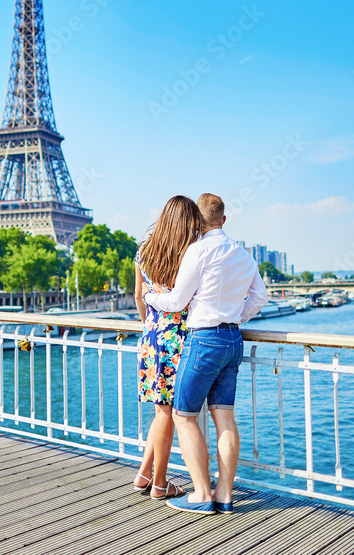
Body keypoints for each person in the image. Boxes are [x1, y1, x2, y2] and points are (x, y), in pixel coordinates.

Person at [141, 193, 268, 515]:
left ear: (197, 221)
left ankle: (200, 493)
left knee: (183, 415)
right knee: (224, 415)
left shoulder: (197, 251)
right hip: (233, 339)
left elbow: (178, 301)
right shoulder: (243, 253)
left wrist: (150, 296)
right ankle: (224, 494)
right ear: (224, 220)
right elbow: (259, 297)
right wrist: (236, 316)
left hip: (204, 340)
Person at [132, 195, 204, 500]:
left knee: (160, 411)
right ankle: (160, 484)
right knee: (168, 413)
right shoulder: (190, 254)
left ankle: (144, 474)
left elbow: (139, 296)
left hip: (151, 336)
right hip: (179, 338)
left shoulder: (144, 251)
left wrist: (151, 325)